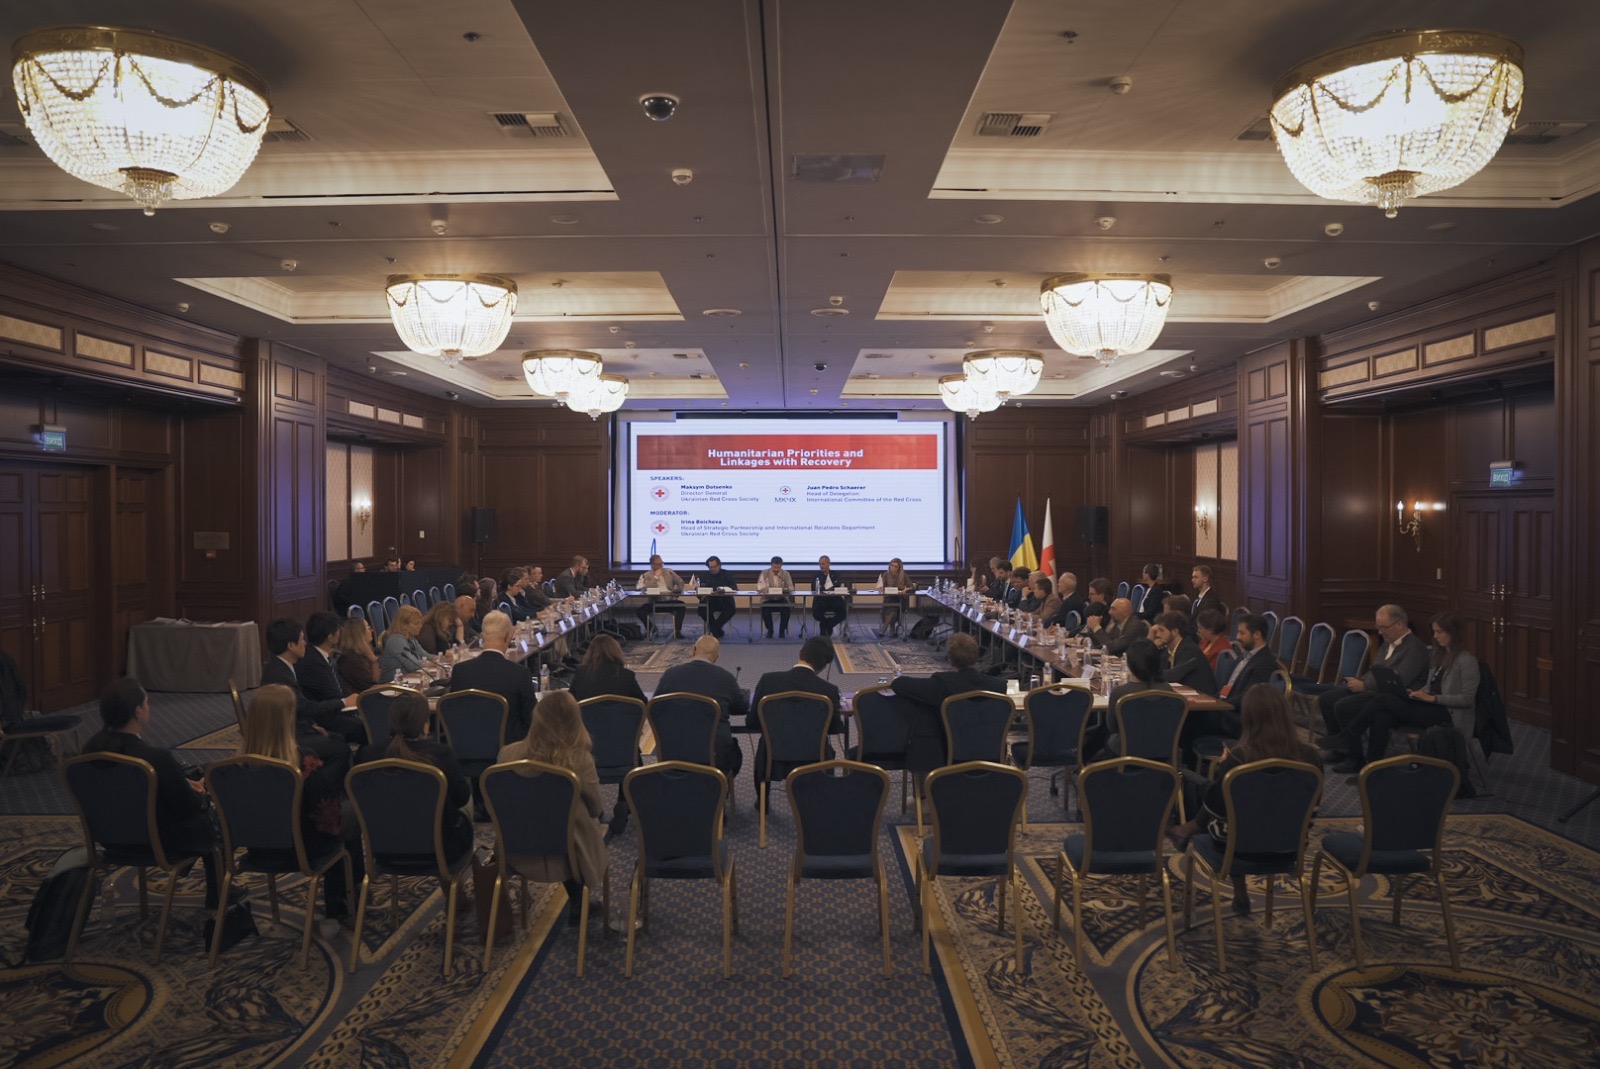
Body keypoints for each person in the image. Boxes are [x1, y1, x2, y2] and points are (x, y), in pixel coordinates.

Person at [1166, 687, 1320, 915]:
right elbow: (1313, 808)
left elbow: (1218, 810)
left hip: (1236, 848)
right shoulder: (1311, 758)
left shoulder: (1239, 759)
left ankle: (1188, 829)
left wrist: (1223, 771)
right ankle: (1189, 830)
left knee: (1231, 816)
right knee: (1246, 817)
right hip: (1290, 845)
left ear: (1248, 718)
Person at [81, 678, 228, 911]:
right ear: (138, 712)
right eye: (147, 703)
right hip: (158, 842)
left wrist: (180, 782)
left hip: (109, 839)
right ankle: (219, 892)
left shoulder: (88, 752)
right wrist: (204, 793)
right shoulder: (154, 758)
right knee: (215, 815)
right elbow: (188, 807)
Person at [236, 684, 363, 924]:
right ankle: (344, 899)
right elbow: (328, 820)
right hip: (303, 850)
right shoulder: (302, 762)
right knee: (352, 813)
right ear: (287, 719)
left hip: (257, 848)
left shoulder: (232, 768)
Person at [496, 691, 608, 927]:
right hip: (569, 853)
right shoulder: (580, 760)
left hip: (516, 847)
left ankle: (577, 900)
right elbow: (596, 808)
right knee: (578, 818)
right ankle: (580, 900)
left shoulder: (507, 754)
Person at [1323, 612, 1480, 775]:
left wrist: (1433, 698)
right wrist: (1420, 692)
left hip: (1446, 713)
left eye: (1439, 632)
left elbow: (1467, 699)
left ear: (1453, 633)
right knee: (1381, 716)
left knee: (1384, 699)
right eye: (1434, 632)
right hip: (1429, 705)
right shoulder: (1439, 656)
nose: (1435, 636)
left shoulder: (1466, 661)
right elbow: (1431, 685)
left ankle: (1349, 735)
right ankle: (1372, 770)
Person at [355, 692, 474, 867]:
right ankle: (461, 877)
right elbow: (461, 797)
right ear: (425, 724)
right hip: (438, 849)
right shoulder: (439, 753)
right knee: (468, 800)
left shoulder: (369, 754)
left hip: (384, 848)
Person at [890, 632, 1005, 771]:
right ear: (977, 657)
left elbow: (899, 684)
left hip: (950, 754)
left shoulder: (942, 684)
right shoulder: (998, 686)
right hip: (990, 753)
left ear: (949, 658)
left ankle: (926, 783)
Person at [1314, 603, 1429, 740]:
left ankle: (1351, 750)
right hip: (1373, 690)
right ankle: (1338, 747)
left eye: (1383, 627)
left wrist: (1364, 685)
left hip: (1395, 699)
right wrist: (1359, 680)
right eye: (1378, 627)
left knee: (1343, 706)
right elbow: (1375, 669)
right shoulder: (1387, 643)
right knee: (1326, 699)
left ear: (1399, 624)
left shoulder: (1415, 648)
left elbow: (1399, 681)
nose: (1380, 632)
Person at [263, 618, 363, 764]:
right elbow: (305, 707)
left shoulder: (283, 666)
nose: (305, 643)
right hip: (287, 735)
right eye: (302, 639)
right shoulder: (280, 676)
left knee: (338, 739)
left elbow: (300, 707)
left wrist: (312, 725)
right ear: (291, 645)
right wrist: (343, 702)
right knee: (340, 749)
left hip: (297, 725)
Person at [751, 636, 842, 787]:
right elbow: (834, 728)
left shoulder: (768, 681)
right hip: (815, 757)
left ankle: (762, 799)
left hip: (774, 757)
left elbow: (752, 722)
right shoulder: (829, 691)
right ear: (825, 665)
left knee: (764, 744)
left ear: (800, 653)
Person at [655, 635, 747, 779]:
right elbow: (741, 708)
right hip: (714, 755)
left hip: (673, 751)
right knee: (734, 755)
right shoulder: (726, 678)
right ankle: (719, 787)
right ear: (716, 657)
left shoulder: (670, 675)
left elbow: (655, 707)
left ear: (693, 650)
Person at [447, 610, 536, 743]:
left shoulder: (460, 671)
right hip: (508, 748)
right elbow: (531, 720)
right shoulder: (520, 674)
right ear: (507, 638)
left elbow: (454, 714)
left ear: (482, 637)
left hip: (466, 745)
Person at [1103, 639, 1173, 757]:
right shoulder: (1168, 690)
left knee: (1105, 736)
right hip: (1161, 749)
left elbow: (1112, 727)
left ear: (1129, 664)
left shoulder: (1120, 692)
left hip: (1126, 750)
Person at [568, 634, 647, 704]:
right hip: (620, 716)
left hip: (586, 716)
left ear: (590, 652)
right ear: (617, 651)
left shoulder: (581, 673)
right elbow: (643, 703)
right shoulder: (627, 675)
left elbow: (570, 701)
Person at [1152, 611, 1217, 695]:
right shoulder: (1166, 650)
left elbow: (1173, 676)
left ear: (1175, 632)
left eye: (1161, 630)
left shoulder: (1190, 650)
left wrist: (1149, 676)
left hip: (1202, 698)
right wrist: (1153, 648)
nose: (1157, 635)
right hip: (1182, 695)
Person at [297, 611, 347, 704]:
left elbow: (341, 687)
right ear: (330, 637)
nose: (340, 633)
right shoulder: (313, 663)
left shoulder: (320, 655)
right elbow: (332, 695)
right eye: (338, 630)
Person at [635, 554, 687, 638]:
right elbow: (646, 587)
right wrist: (656, 577)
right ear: (652, 565)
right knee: (640, 611)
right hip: (654, 602)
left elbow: (681, 582)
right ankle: (652, 629)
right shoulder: (647, 575)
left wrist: (676, 590)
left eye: (661, 563)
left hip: (669, 601)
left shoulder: (669, 572)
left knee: (681, 606)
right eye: (658, 564)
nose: (661, 566)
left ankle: (677, 631)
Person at [377, 604, 427, 680]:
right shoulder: (396, 640)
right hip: (392, 683)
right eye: (416, 624)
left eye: (420, 623)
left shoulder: (411, 638)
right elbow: (413, 666)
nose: (420, 626)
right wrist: (428, 663)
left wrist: (440, 658)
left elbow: (425, 655)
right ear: (404, 625)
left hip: (408, 679)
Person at [334, 617, 380, 697]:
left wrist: (374, 661)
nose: (371, 630)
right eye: (368, 628)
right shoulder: (351, 660)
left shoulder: (364, 653)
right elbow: (370, 688)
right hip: (361, 699)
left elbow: (375, 681)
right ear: (359, 634)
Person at [698, 555, 738, 639]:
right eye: (710, 567)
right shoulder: (704, 575)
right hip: (710, 601)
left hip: (725, 601)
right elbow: (701, 591)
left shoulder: (727, 574)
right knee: (702, 610)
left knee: (730, 609)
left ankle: (714, 629)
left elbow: (734, 588)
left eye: (714, 567)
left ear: (719, 565)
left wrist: (723, 589)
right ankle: (717, 631)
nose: (712, 569)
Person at [757, 555, 795, 638]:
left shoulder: (786, 574)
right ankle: (770, 630)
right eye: (774, 567)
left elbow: (791, 588)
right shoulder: (764, 573)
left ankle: (782, 631)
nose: (776, 570)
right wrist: (768, 590)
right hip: (768, 599)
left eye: (778, 568)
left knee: (786, 610)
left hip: (782, 598)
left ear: (781, 566)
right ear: (771, 565)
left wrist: (783, 590)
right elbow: (759, 587)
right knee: (765, 611)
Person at [810, 555, 848, 637]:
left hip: (834, 600)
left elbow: (838, 586)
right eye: (820, 564)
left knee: (843, 613)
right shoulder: (817, 576)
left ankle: (828, 624)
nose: (821, 566)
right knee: (817, 613)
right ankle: (825, 625)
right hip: (821, 600)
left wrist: (827, 588)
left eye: (823, 564)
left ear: (829, 564)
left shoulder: (836, 574)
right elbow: (813, 588)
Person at [877, 558, 910, 637]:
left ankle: (884, 628)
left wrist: (905, 590)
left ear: (899, 568)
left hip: (900, 598)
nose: (893, 568)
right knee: (893, 608)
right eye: (892, 566)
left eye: (895, 566)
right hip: (889, 598)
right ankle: (892, 629)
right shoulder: (886, 574)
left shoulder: (903, 575)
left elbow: (911, 586)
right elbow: (881, 587)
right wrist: (881, 588)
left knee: (893, 607)